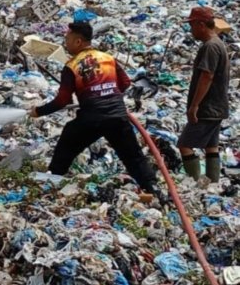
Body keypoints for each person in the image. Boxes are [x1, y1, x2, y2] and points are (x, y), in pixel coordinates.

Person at [29, 22, 159, 196]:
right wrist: (109, 94)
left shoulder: (72, 66)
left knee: (67, 142)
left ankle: (53, 178)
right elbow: (125, 83)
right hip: (117, 116)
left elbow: (62, 101)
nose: (65, 43)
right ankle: (153, 188)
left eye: (67, 39)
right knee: (133, 156)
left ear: (78, 41)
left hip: (91, 119)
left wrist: (38, 111)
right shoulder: (107, 58)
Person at [177, 7, 230, 183]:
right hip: (218, 107)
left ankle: (194, 184)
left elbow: (207, 76)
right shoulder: (218, 43)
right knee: (211, 146)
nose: (190, 30)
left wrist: (194, 105)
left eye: (192, 25)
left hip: (207, 107)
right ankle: (213, 184)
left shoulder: (210, 47)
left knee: (184, 144)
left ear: (201, 24)